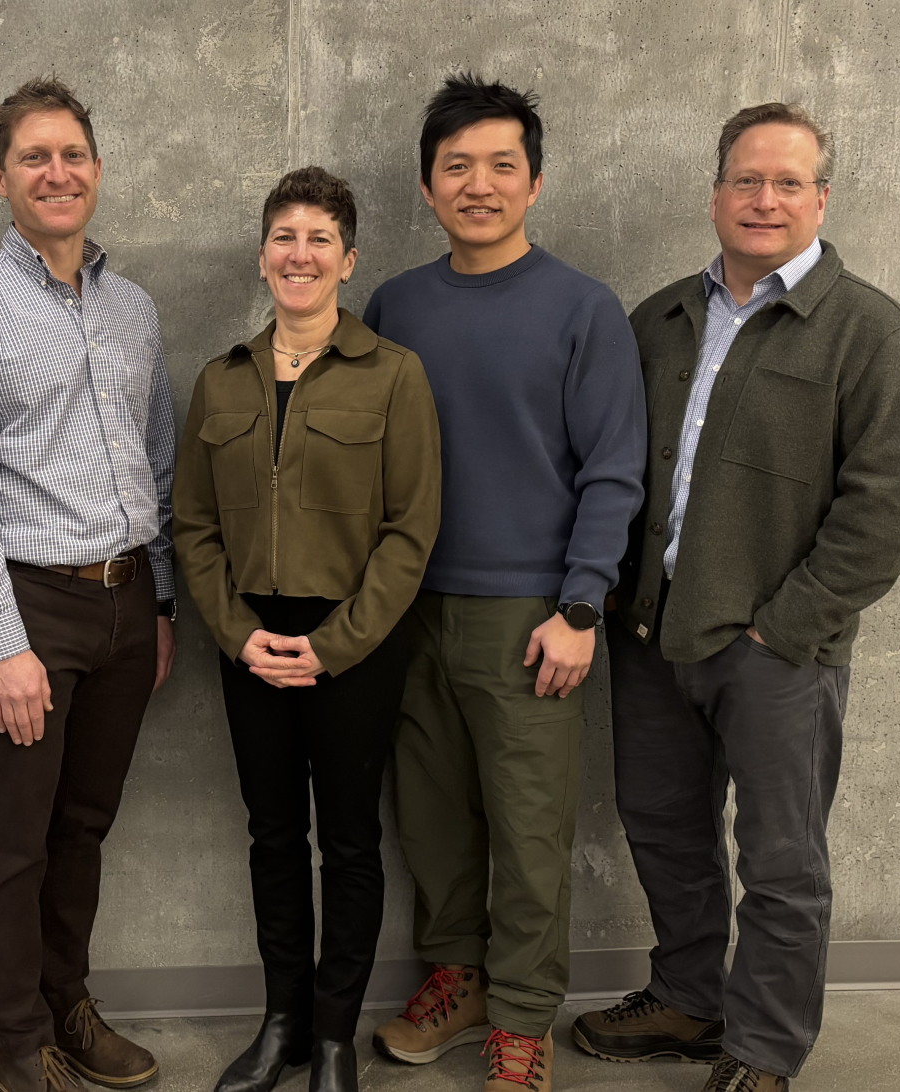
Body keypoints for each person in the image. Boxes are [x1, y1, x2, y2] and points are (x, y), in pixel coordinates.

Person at [572, 103, 900, 1092]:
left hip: (778, 649)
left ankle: (765, 1049)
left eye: (787, 182)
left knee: (781, 861)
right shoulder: (659, 319)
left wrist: (787, 628)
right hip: (652, 636)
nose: (764, 199)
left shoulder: (874, 334)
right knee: (663, 829)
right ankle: (689, 1000)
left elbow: (888, 511)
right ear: (716, 193)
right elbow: (615, 466)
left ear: (821, 198)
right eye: (746, 179)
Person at [362, 75, 647, 1091]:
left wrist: (580, 606)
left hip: (531, 617)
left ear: (534, 182)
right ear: (427, 187)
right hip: (406, 609)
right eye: (457, 167)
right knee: (431, 817)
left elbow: (614, 469)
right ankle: (460, 979)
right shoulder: (396, 304)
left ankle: (524, 1018)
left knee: (529, 831)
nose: (478, 185)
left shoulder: (582, 309)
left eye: (500, 166)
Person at [0, 77, 176, 1092]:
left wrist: (158, 604)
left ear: (96, 170)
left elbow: (155, 461)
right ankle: (18, 1048)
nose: (56, 173)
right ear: (0, 177)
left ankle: (71, 1005)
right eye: (34, 157)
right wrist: (1, 644)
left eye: (72, 155)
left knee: (84, 826)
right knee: (14, 840)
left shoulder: (133, 308)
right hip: (28, 605)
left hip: (126, 600)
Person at [174, 166, 441, 1092]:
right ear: (262, 257)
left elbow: (411, 530)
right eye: (284, 238)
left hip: (355, 642)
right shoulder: (221, 382)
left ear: (348, 259)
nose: (300, 254)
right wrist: (238, 634)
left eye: (319, 239)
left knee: (352, 843)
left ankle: (333, 1035)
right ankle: (282, 1023)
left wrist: (333, 646)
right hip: (249, 640)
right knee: (273, 836)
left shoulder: (395, 375)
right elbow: (194, 527)